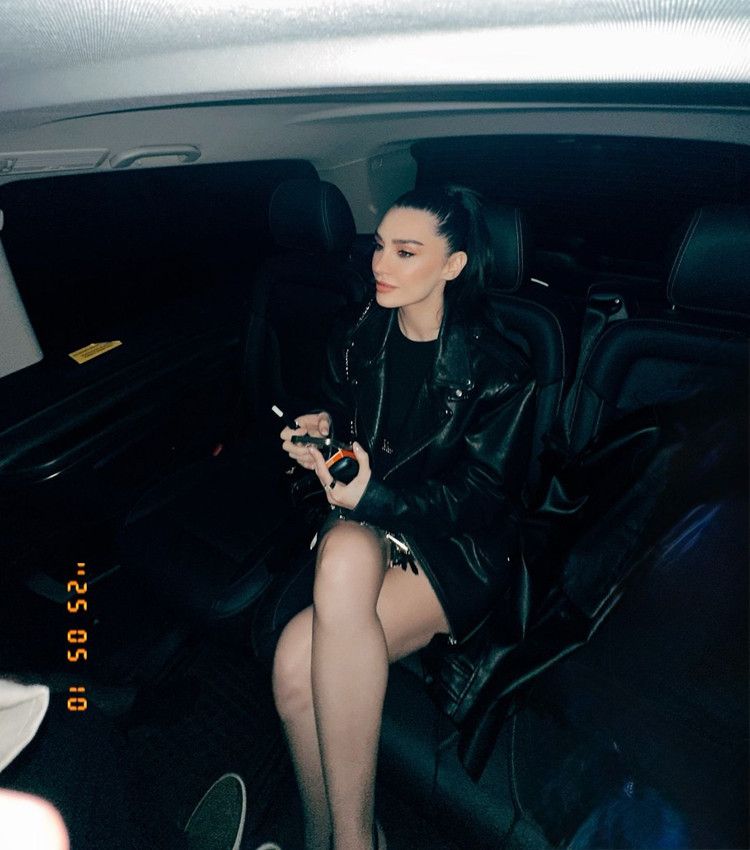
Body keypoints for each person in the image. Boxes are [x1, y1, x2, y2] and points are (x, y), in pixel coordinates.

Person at [273, 184, 536, 850]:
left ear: (453, 265)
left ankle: (350, 841)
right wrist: (320, 435)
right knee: (295, 656)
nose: (381, 264)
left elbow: (480, 498)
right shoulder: (357, 334)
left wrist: (376, 501)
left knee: (298, 664)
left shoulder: (500, 369)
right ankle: (336, 839)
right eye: (380, 246)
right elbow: (343, 421)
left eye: (406, 251)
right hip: (368, 527)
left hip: (454, 548)